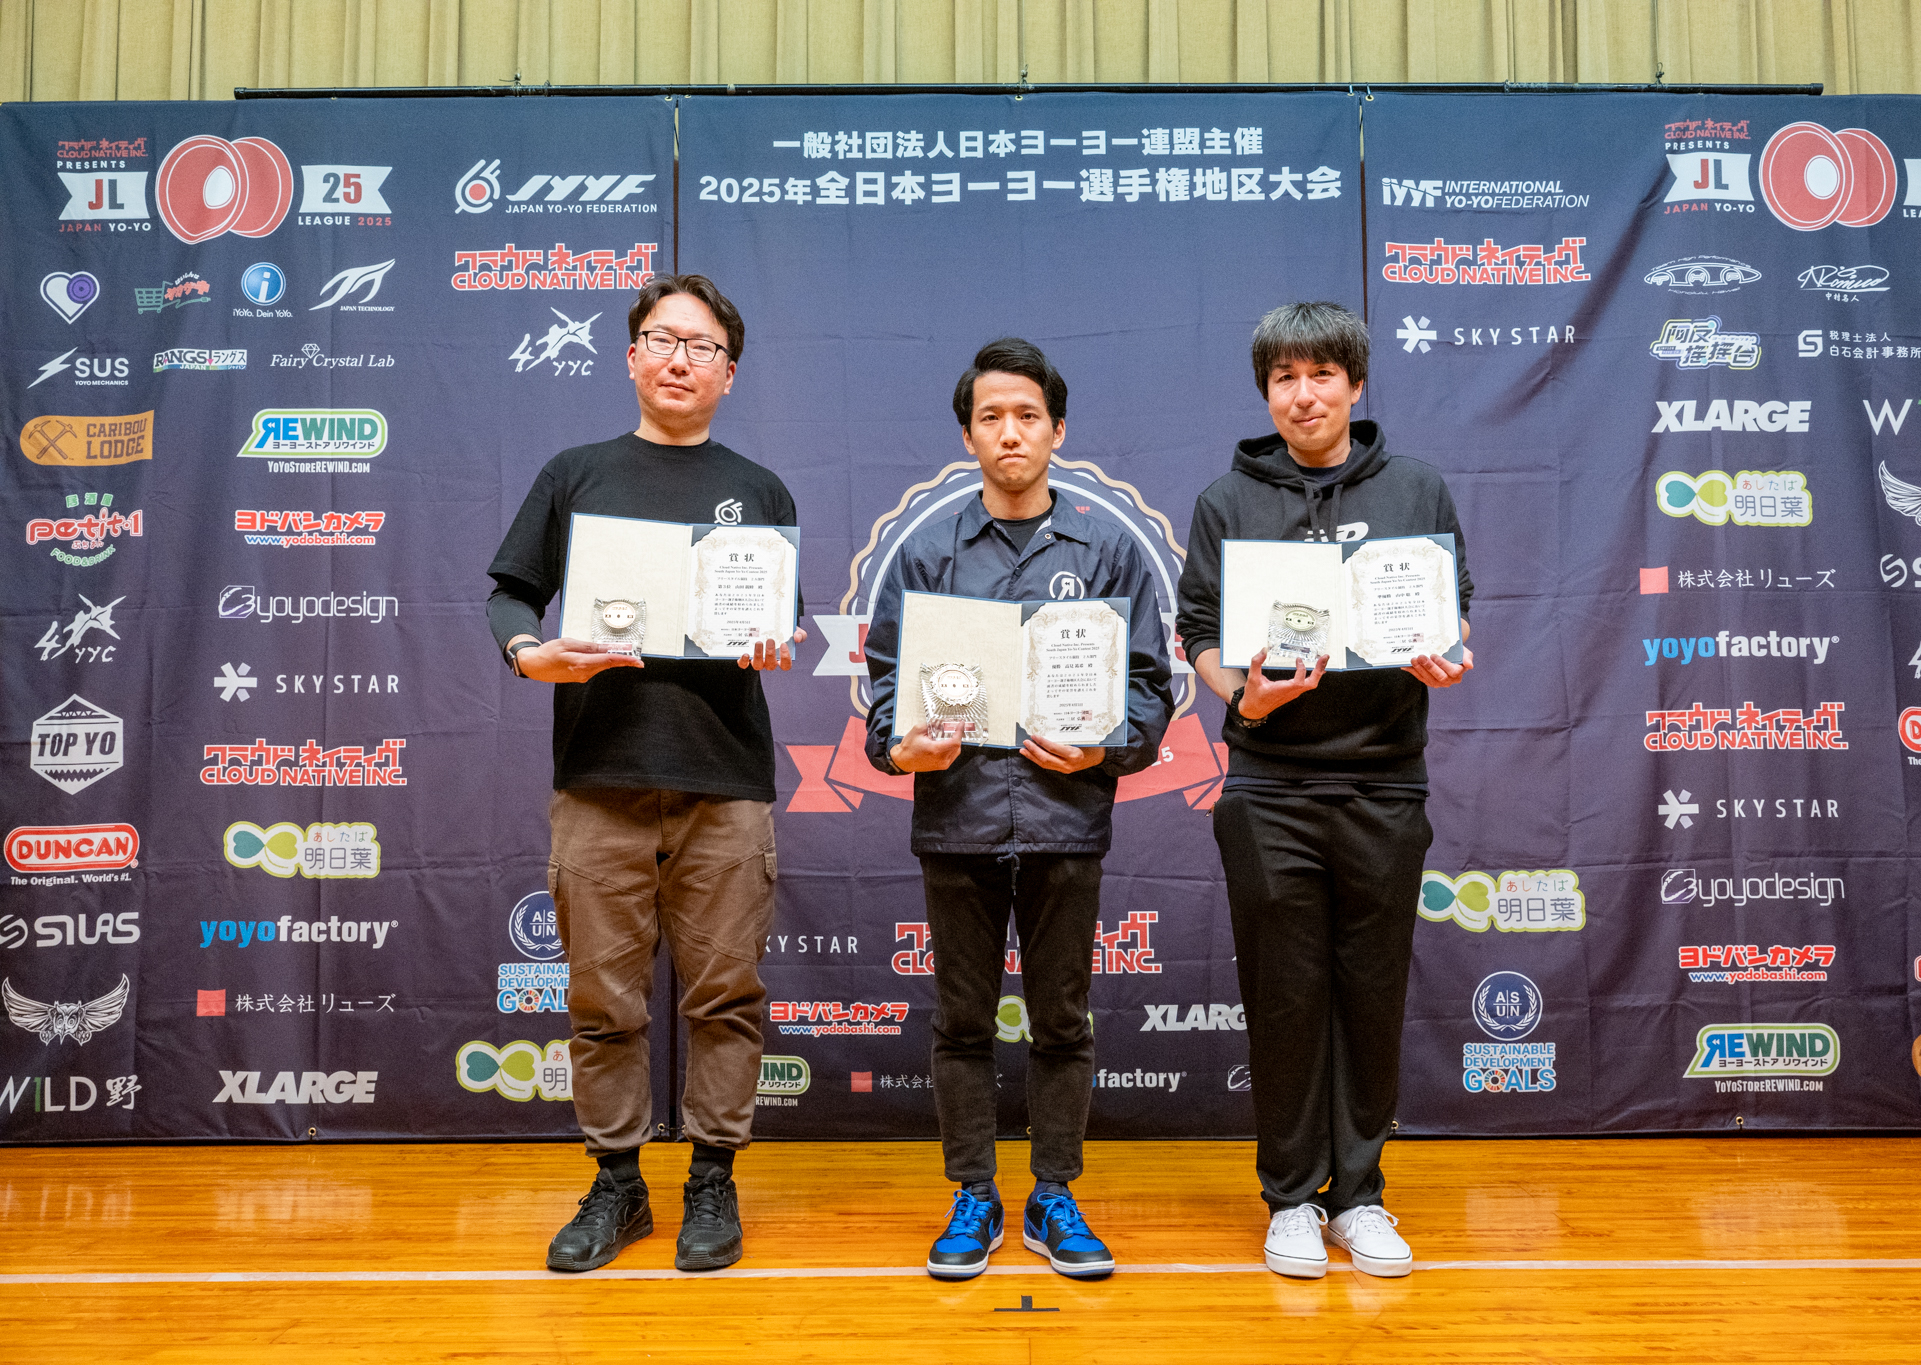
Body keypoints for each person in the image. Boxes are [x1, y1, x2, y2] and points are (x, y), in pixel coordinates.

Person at [486, 273, 805, 1274]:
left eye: (702, 346)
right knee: (602, 1003)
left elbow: (777, 617)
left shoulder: (760, 489)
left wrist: (776, 639)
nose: (679, 359)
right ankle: (617, 1182)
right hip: (599, 778)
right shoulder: (575, 474)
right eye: (662, 339)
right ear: (630, 356)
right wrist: (528, 653)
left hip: (724, 781)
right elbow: (508, 596)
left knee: (725, 998)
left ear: (728, 373)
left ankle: (713, 1178)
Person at [862, 338, 1173, 1281]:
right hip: (956, 817)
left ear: (1057, 430)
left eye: (1027, 415)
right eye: (991, 416)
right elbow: (884, 694)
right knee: (961, 1021)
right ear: (968, 435)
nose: (1010, 432)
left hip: (1065, 818)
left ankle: (1053, 1192)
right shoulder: (927, 551)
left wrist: (1105, 746)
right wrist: (902, 746)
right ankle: (973, 1192)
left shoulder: (1108, 547)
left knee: (1062, 1020)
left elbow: (1150, 687)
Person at [1175, 301, 1474, 1280]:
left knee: (1372, 996)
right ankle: (1291, 1199)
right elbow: (1198, 633)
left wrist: (1447, 654)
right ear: (1266, 392)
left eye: (1321, 375)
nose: (1303, 395)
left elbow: (1455, 612)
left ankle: (1360, 1197)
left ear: (1355, 383)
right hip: (1269, 787)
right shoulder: (1227, 500)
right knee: (1286, 999)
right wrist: (1243, 696)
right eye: (1284, 379)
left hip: (1385, 782)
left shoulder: (1416, 488)